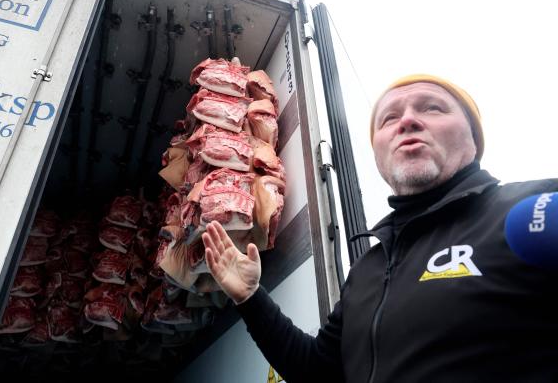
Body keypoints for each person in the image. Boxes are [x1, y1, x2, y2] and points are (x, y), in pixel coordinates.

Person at [201, 74, 558, 383]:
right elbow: (316, 372)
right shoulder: (369, 269)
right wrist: (250, 298)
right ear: (378, 153)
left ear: (474, 138)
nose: (407, 121)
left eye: (432, 108)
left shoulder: (531, 210)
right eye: (389, 118)